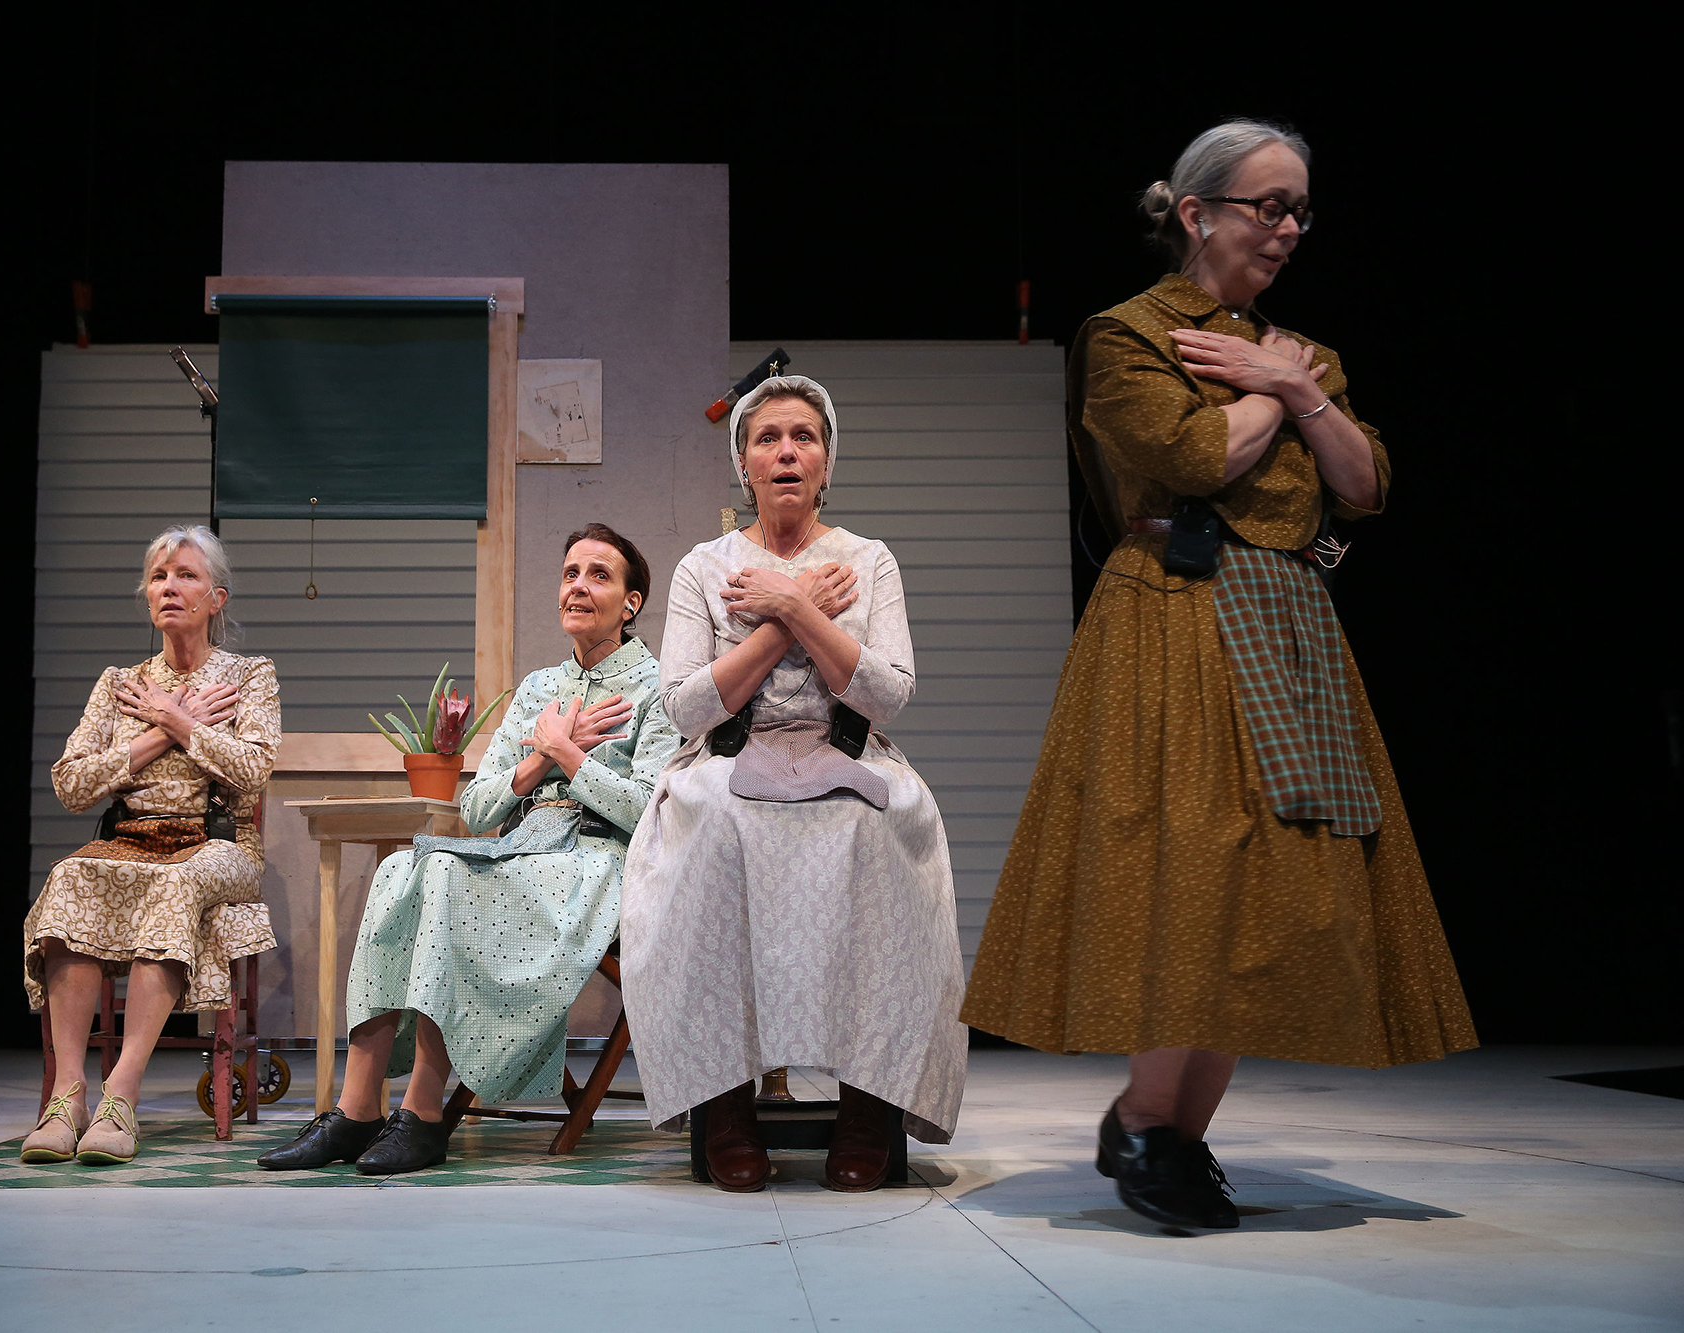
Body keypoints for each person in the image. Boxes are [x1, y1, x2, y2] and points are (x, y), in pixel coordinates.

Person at [961, 120, 1477, 1229]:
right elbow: (1192, 458)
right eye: (1265, 206)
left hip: (1285, 619)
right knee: (1186, 871)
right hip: (1172, 619)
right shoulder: (1126, 335)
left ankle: (1178, 1133)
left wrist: (1292, 387)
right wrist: (1267, 387)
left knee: (1277, 884)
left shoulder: (1302, 354)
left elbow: (1363, 482)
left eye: (1298, 209)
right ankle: (1149, 1122)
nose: (1286, 228)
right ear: (1194, 213)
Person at [621, 375, 968, 1193]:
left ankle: (867, 1102)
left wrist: (794, 605)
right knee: (707, 821)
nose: (786, 451)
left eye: (803, 437)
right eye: (767, 437)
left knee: (881, 827)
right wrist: (787, 613)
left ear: (826, 460)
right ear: (743, 462)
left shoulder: (869, 560)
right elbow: (684, 708)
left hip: (847, 755)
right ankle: (728, 1103)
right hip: (733, 760)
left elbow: (889, 696)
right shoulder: (704, 566)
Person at [258, 523, 681, 1175]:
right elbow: (479, 806)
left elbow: (649, 807)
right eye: (570, 572)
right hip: (524, 847)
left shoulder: (660, 687)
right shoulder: (538, 687)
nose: (578, 585)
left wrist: (569, 754)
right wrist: (542, 755)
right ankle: (357, 1107)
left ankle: (424, 1112)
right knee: (403, 868)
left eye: (599, 574)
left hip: (604, 860)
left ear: (631, 602)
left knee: (455, 885)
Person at [21, 524, 280, 1165]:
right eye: (160, 576)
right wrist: (159, 732)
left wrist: (181, 719)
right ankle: (68, 1097)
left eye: (186, 575)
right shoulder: (120, 684)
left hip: (217, 846)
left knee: (176, 883)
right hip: (129, 840)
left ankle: (121, 1096)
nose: (170, 586)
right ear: (146, 596)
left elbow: (251, 773)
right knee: (70, 879)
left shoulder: (250, 678)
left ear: (216, 598)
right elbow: (72, 784)